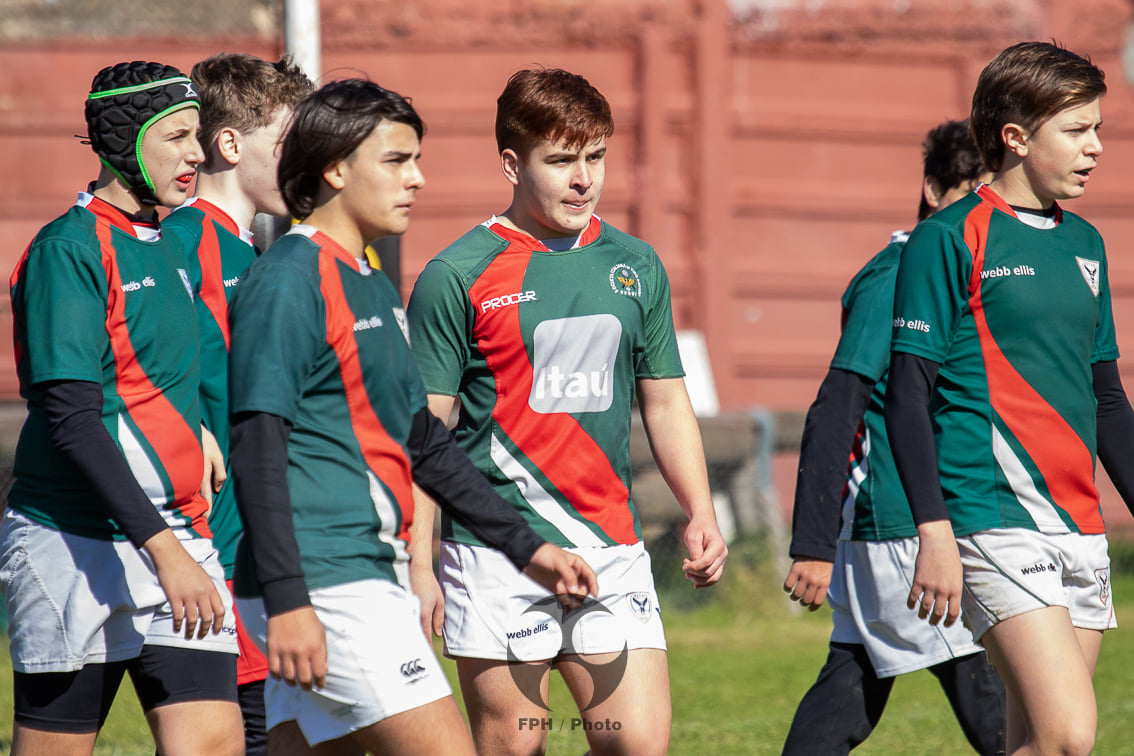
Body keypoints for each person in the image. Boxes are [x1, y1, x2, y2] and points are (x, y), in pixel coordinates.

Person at [225, 78, 599, 756]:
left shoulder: (365, 275)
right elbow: (257, 448)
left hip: (356, 573)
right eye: (397, 161)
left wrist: (529, 549)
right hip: (326, 583)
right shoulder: (287, 280)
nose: (418, 179)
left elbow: (423, 442)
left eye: (416, 159)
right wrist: (288, 600)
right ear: (335, 169)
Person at [405, 67, 728, 756]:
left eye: (595, 157)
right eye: (560, 161)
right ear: (511, 163)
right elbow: (423, 434)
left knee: (636, 745)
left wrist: (700, 510)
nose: (583, 179)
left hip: (611, 548)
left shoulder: (635, 264)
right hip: (495, 553)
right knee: (517, 747)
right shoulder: (456, 274)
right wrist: (421, 563)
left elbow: (665, 399)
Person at [886, 42, 1134, 755]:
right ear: (1017, 137)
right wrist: (933, 531)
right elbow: (908, 395)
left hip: (1077, 523)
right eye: (1077, 130)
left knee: (1034, 742)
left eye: (1098, 129)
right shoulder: (948, 238)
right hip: (991, 518)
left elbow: (1107, 402)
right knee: (1068, 736)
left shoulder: (1086, 243)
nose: (1095, 148)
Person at [1, 61, 242, 755]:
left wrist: (188, 426)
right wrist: (165, 553)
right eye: (177, 137)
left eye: (198, 135)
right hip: (72, 543)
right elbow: (71, 419)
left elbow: (143, 369)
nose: (197, 153)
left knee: (213, 743)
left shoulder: (164, 240)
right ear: (123, 142)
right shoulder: (66, 249)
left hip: (175, 534)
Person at [780, 120, 1005, 755]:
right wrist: (813, 544)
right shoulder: (901, 274)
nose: (984, 211)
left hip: (898, 524)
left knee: (848, 689)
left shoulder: (955, 272)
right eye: (971, 192)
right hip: (904, 526)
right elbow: (836, 406)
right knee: (1002, 699)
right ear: (935, 190)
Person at [161, 52, 314, 756]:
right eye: (289, 145)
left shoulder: (251, 258)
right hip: (209, 548)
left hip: (249, 543)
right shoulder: (183, 244)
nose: (305, 163)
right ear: (230, 145)